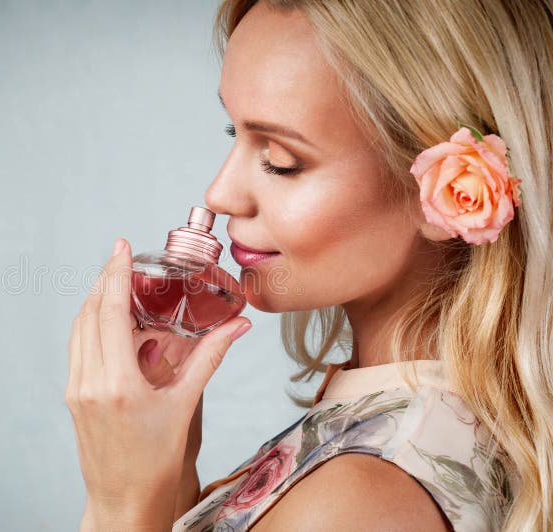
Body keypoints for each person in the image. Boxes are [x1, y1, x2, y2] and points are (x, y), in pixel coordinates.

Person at [66, 1, 553, 530]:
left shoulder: (356, 504)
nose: (220, 193)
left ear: (443, 193)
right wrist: (171, 473)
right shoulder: (395, 432)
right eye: (236, 134)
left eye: (280, 159)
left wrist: (121, 505)